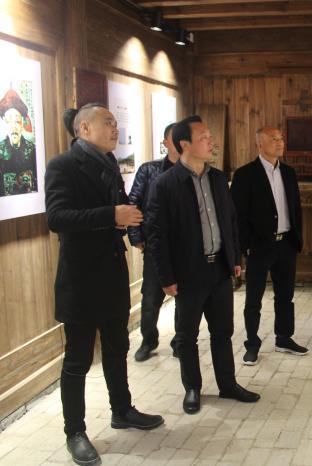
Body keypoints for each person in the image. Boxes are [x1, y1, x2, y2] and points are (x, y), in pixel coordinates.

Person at [45, 103, 164, 466]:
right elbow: (57, 218)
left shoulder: (109, 162)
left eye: (115, 122)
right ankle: (75, 432)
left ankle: (122, 410)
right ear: (84, 129)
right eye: (108, 123)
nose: (115, 129)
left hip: (112, 273)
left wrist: (130, 215)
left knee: (117, 347)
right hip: (80, 278)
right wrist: (112, 215)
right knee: (78, 359)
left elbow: (121, 207)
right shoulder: (63, 165)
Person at [147, 115, 260, 415]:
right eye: (204, 138)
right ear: (184, 144)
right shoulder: (165, 184)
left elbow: (230, 221)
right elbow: (156, 235)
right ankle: (192, 388)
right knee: (187, 336)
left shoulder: (218, 178)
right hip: (188, 272)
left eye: (210, 137)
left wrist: (234, 258)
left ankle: (228, 384)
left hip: (219, 269)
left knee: (223, 331)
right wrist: (166, 277)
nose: (211, 142)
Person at [230, 126, 307, 366]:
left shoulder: (289, 172)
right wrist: (246, 247)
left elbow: (295, 209)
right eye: (273, 139)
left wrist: (297, 239)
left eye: (281, 138)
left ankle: (284, 337)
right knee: (254, 298)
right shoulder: (245, 174)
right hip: (259, 246)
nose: (279, 142)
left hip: (286, 244)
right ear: (259, 144)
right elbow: (238, 215)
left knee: (286, 295)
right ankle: (252, 344)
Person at [128, 123, 180, 362]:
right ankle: (148, 340)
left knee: (185, 300)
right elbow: (134, 203)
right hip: (156, 246)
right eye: (174, 139)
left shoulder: (193, 171)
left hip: (184, 248)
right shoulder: (149, 170)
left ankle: (180, 341)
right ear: (165, 143)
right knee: (150, 299)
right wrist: (137, 237)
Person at [0, 89, 37, 196]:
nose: (13, 127)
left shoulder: (32, 150)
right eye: (9, 121)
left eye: (17, 121)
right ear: (4, 123)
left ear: (22, 123)